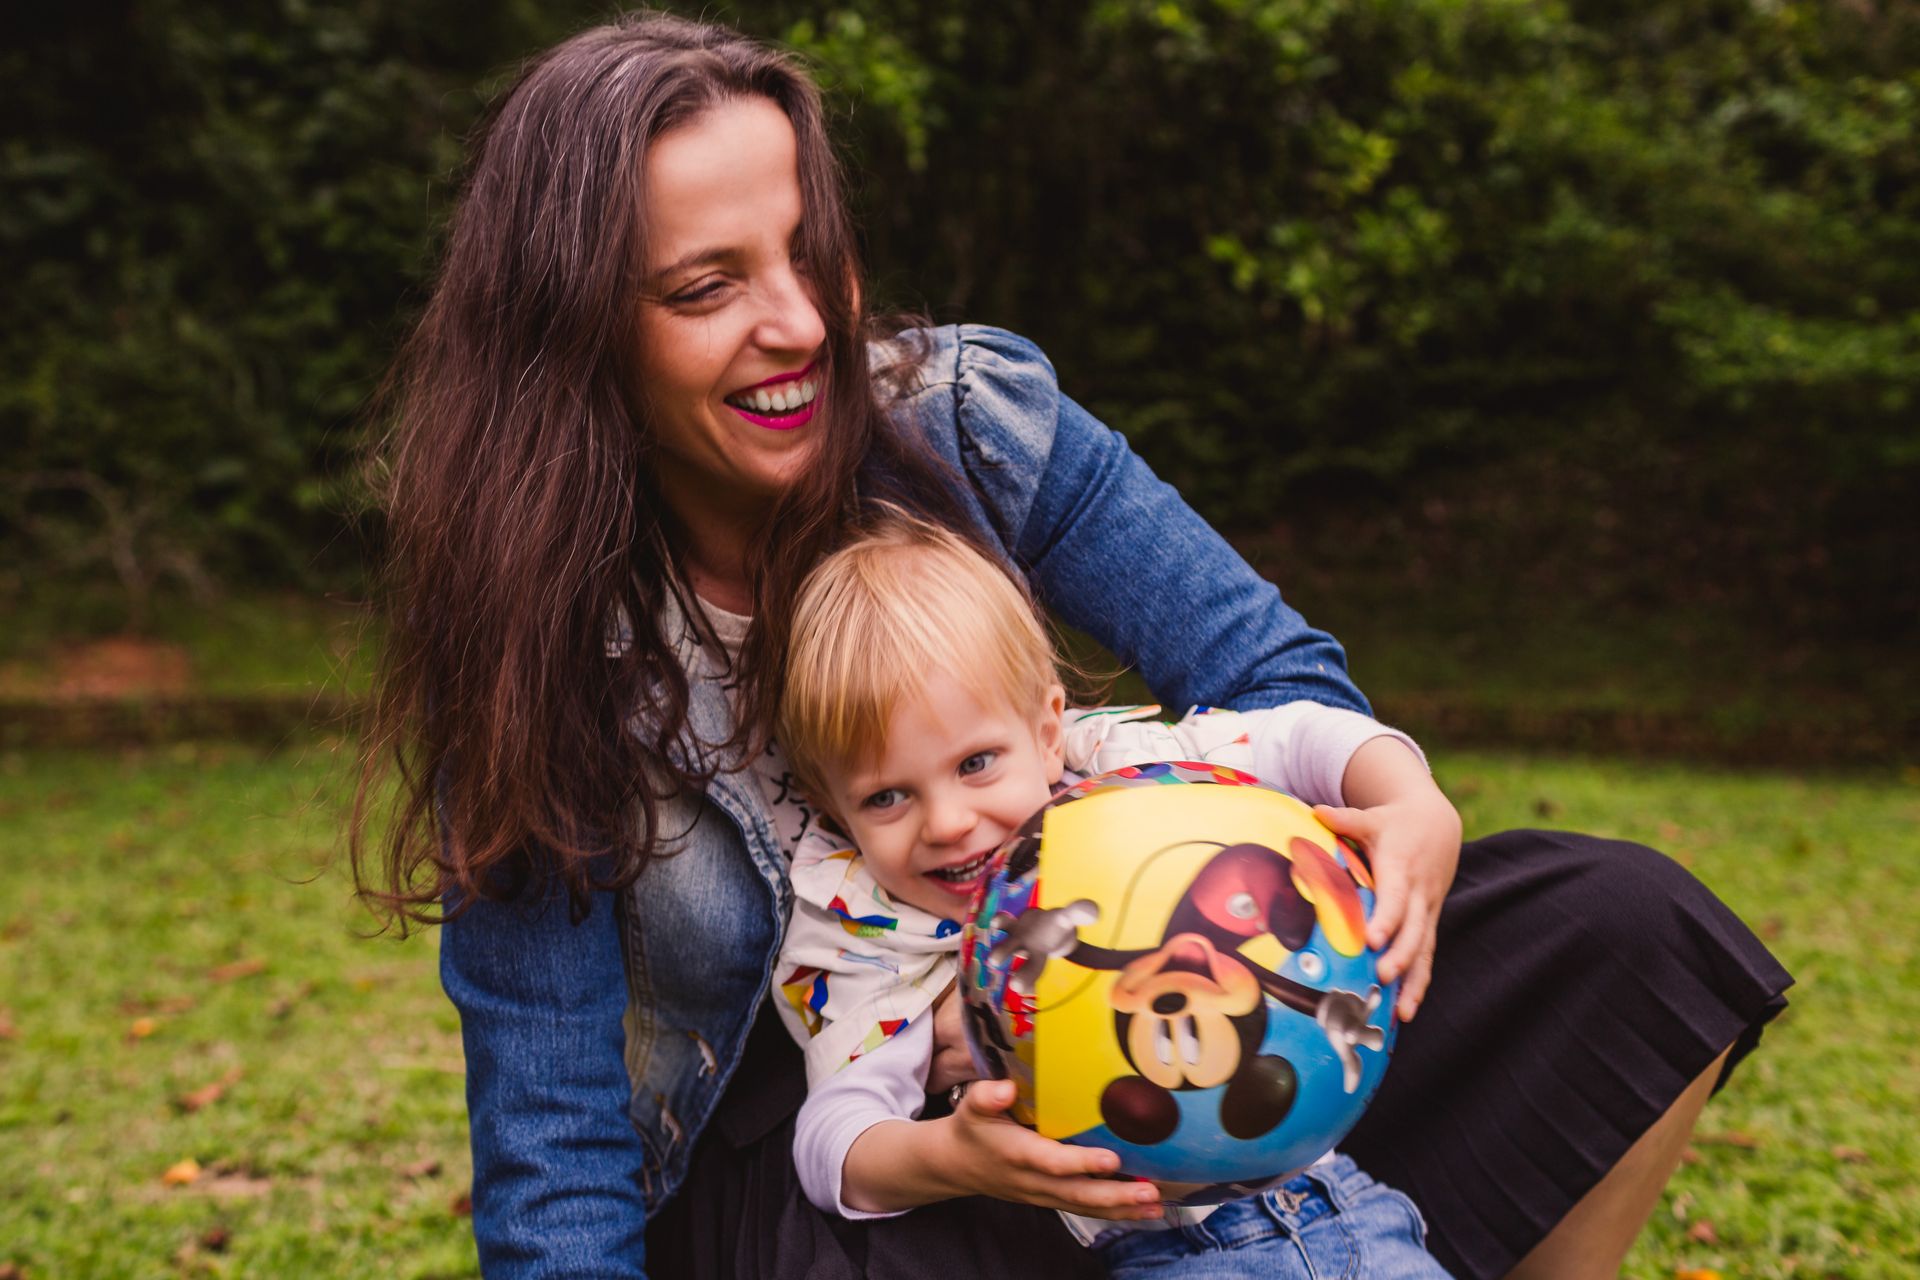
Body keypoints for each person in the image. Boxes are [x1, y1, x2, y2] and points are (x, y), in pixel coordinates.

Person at [351, 12, 1792, 1279]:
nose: (797, 325)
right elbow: (555, 1137)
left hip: (1146, 1005)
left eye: (810, 254)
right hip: (843, 1166)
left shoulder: (969, 421)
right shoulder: (538, 629)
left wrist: (1398, 803)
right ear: (576, 332)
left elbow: (1276, 683)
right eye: (704, 287)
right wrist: (948, 1072)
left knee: (1624, 924)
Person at [769, 511, 1455, 1279]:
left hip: (1333, 1197)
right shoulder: (872, 934)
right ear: (835, 812)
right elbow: (833, 1138)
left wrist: (1412, 798)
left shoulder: (1132, 780)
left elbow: (1297, 737)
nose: (949, 822)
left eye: (976, 763)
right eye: (887, 797)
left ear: (1047, 732)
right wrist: (947, 1156)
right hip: (1150, 1248)